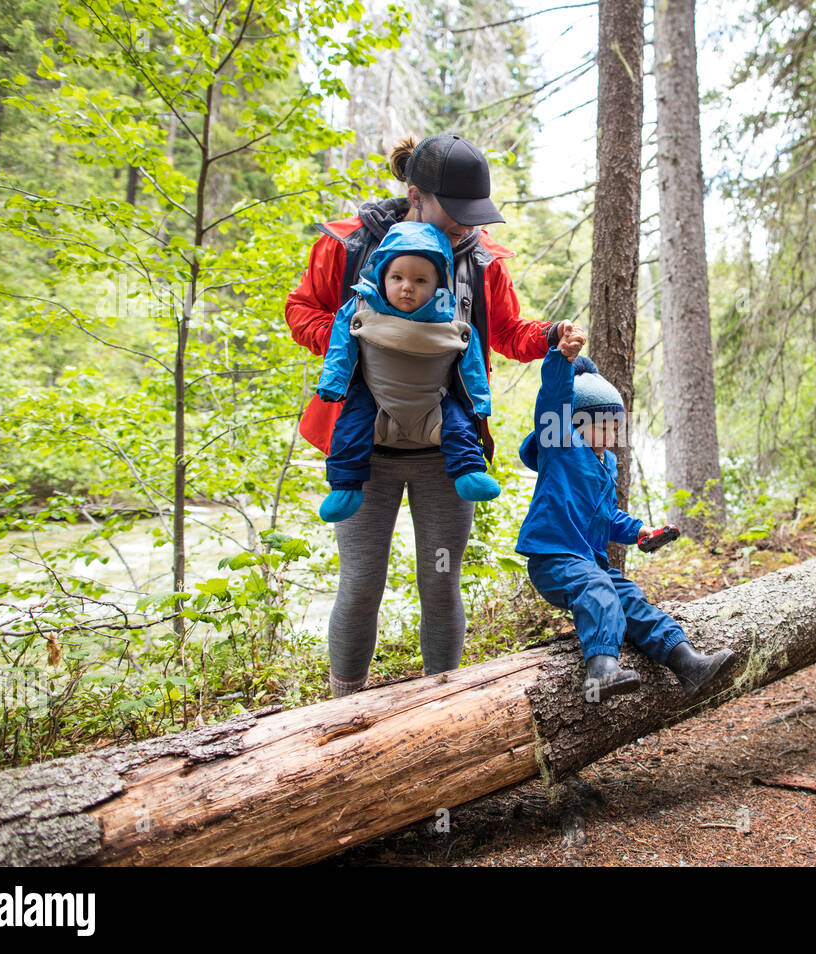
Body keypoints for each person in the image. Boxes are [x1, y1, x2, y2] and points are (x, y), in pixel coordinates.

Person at [286, 132, 586, 696]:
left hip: (448, 456)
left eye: (476, 214)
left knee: (442, 579)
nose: (468, 226)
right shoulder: (349, 244)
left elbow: (503, 333)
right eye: (457, 212)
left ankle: (440, 702)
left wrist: (551, 337)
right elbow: (301, 308)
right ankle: (341, 709)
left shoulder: (481, 261)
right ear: (415, 194)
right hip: (362, 453)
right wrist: (361, 338)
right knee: (360, 583)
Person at [515, 348, 735, 701]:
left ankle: (688, 664)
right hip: (553, 558)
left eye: (615, 424)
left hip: (587, 563)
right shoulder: (561, 445)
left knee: (631, 598)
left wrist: (639, 531)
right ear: (575, 423)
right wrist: (561, 357)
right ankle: (600, 672)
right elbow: (554, 398)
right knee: (599, 590)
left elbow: (607, 517)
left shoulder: (606, 465)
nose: (611, 432)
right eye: (602, 424)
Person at [315, 220, 500, 524]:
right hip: (375, 402)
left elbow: (472, 365)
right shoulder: (360, 308)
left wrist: (478, 404)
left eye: (420, 280)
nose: (406, 287)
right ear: (381, 276)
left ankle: (469, 470)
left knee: (458, 423)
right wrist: (334, 384)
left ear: (438, 284)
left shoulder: (451, 320)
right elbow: (340, 346)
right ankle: (345, 485)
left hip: (433, 405)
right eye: (397, 277)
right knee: (349, 427)